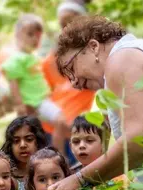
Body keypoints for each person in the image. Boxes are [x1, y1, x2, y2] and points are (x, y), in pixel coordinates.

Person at [48, 15, 143, 190]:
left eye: (71, 68)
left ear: (93, 47)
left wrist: (80, 180)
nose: (73, 82)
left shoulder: (121, 60)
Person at [0, 14, 68, 152]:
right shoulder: (17, 59)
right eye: (30, 34)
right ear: (17, 36)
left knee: (35, 133)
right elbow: (13, 83)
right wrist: (19, 105)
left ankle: (47, 156)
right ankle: (60, 156)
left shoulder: (32, 57)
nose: (35, 39)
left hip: (41, 101)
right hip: (36, 102)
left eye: (38, 36)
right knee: (61, 121)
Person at [42, 0, 95, 165]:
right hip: (54, 131)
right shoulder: (52, 59)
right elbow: (43, 94)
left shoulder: (94, 52)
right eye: (62, 23)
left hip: (82, 132)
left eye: (71, 21)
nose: (67, 27)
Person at [1, 116, 48, 190]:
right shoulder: (6, 177)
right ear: (10, 145)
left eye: (29, 139)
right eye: (16, 141)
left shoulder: (51, 170)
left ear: (38, 141)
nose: (22, 145)